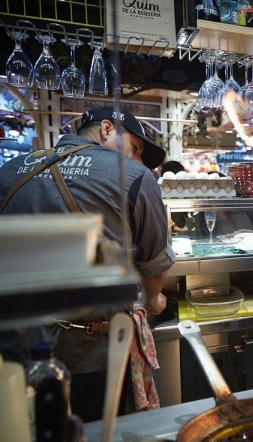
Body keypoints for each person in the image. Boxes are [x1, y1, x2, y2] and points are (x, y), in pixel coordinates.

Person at [0, 106, 175, 421]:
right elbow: (154, 264)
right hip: (92, 355)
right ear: (107, 129)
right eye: (134, 148)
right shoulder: (134, 176)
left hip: (13, 353)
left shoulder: (11, 169)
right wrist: (153, 299)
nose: (135, 160)